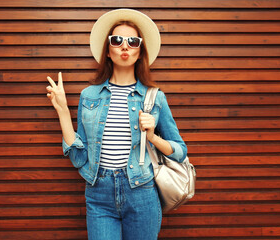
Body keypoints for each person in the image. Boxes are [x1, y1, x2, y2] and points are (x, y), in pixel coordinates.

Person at [46, 9, 187, 240]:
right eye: (117, 40)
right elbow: (79, 158)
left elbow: (180, 152)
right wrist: (62, 110)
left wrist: (153, 137)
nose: (125, 46)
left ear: (140, 52)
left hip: (142, 191)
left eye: (133, 41)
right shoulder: (89, 96)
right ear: (108, 51)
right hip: (98, 193)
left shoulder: (154, 97)